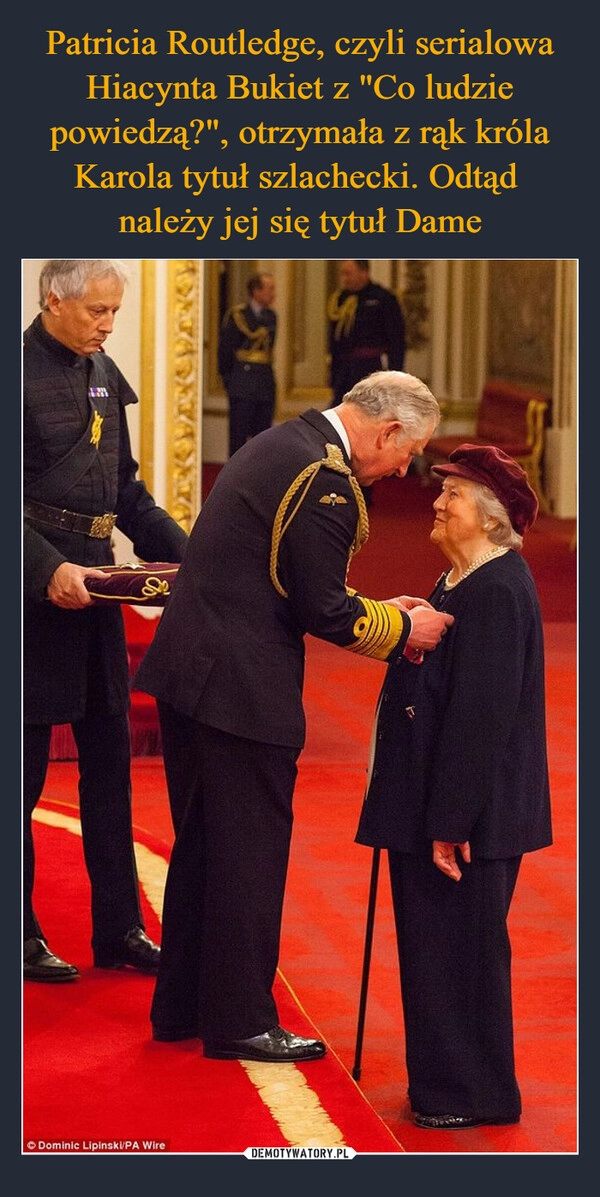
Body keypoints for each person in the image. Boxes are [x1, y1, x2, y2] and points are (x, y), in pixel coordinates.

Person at [134, 369, 454, 1063]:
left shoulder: (287, 441)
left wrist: (375, 608)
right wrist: (403, 634)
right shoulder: (328, 478)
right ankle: (242, 1020)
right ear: (387, 428)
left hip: (193, 672)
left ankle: (184, 1005)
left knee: (204, 849)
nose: (405, 468)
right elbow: (321, 607)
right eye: (409, 452)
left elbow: (286, 571)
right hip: (238, 690)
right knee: (248, 857)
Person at [355, 443, 553, 1130]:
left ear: (492, 518)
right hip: (439, 805)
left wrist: (449, 822)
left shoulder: (497, 590)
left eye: (454, 496)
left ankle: (475, 1093)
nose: (437, 504)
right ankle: (442, 1084)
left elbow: (481, 721)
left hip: (471, 819)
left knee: (460, 956)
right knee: (435, 951)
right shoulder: (459, 577)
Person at [23, 259, 189, 983]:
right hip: (33, 598)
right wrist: (44, 569)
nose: (108, 324)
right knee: (22, 780)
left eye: (116, 311)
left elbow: (126, 493)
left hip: (99, 594)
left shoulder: (101, 374)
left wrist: (196, 558)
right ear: (51, 299)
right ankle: (20, 933)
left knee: (110, 770)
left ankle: (119, 928)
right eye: (97, 311)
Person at [327, 261, 406, 407]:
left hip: (371, 367)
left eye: (348, 274)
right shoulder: (340, 299)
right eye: (343, 274)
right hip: (344, 369)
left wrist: (394, 375)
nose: (345, 279)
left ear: (364, 273)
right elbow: (334, 339)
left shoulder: (383, 298)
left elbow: (396, 340)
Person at [217, 271, 277, 457]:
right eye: (270, 289)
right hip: (242, 383)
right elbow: (225, 351)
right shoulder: (237, 315)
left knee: (263, 437)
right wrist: (230, 381)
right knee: (238, 436)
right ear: (256, 291)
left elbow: (268, 350)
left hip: (264, 384)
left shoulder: (272, 316)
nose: (273, 293)